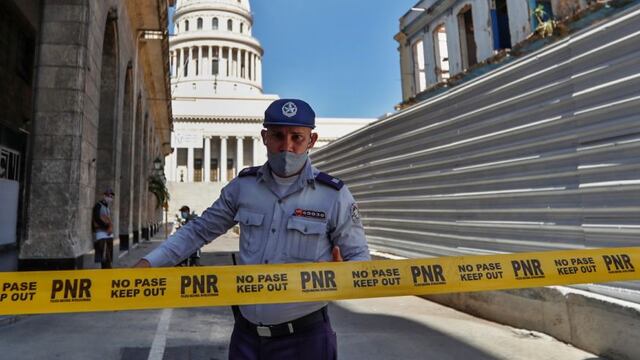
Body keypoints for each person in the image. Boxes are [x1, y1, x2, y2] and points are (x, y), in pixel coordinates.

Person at [135, 98, 370, 360]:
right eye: (278, 136)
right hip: (247, 338)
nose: (287, 147)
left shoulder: (333, 195)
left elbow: (359, 256)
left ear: (312, 141)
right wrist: (150, 262)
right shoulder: (243, 187)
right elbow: (198, 231)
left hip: (305, 339)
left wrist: (345, 275)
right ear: (264, 137)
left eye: (297, 138)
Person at [92, 188, 115, 269]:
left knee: (108, 258)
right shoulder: (98, 205)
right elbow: (97, 218)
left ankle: (106, 273)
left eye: (112, 196)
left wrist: (110, 227)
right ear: (104, 195)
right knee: (105, 256)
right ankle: (108, 274)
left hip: (109, 235)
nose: (110, 198)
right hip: (101, 235)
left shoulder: (107, 207)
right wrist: (107, 227)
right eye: (109, 195)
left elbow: (108, 220)